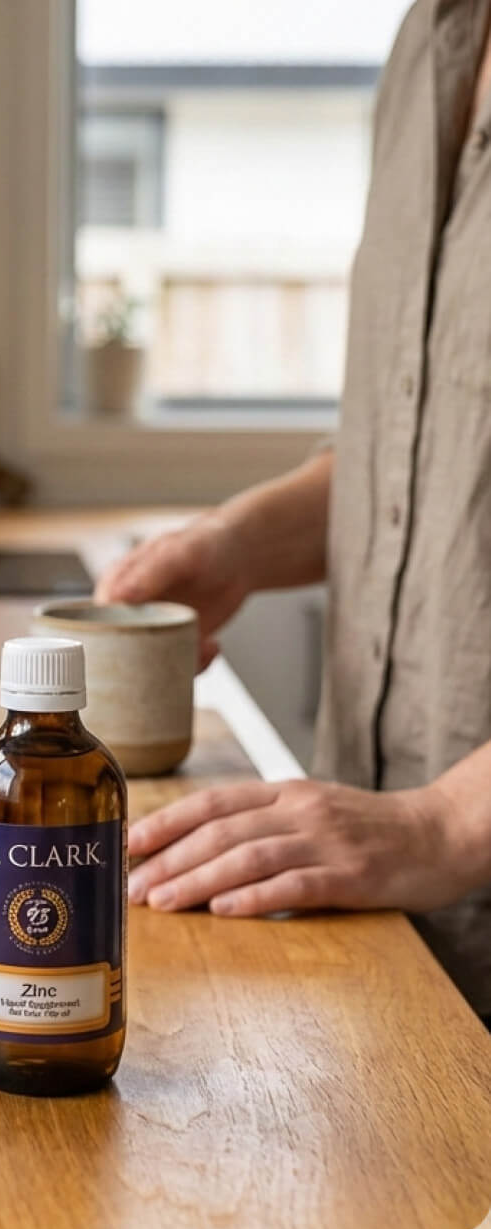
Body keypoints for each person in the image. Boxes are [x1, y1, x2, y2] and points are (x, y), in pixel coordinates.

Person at [96, 0, 491, 1018]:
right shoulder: (428, 44)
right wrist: (234, 545)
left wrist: (445, 826)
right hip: (403, 950)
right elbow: (418, 444)